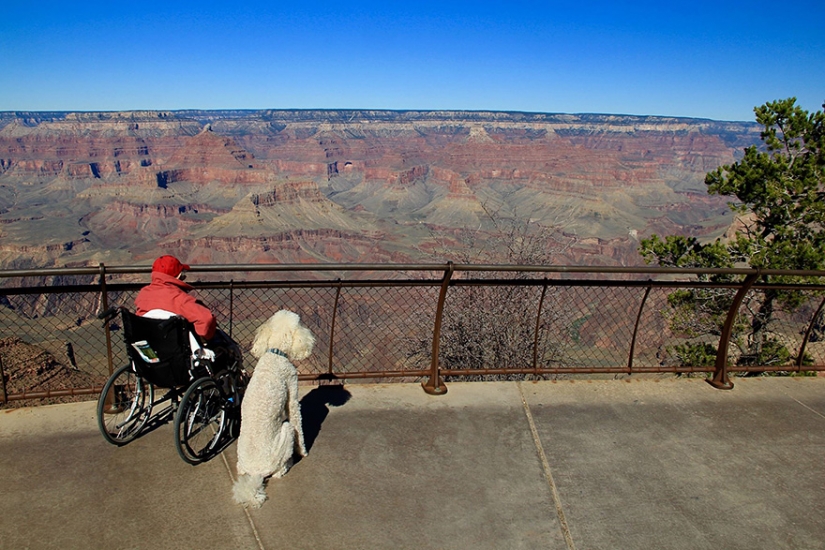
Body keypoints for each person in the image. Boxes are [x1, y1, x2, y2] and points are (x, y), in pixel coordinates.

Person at [134, 255, 217, 341]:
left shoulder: (143, 294)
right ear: (179, 276)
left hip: (149, 346)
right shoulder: (180, 298)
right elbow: (205, 319)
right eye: (183, 275)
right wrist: (202, 338)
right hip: (176, 349)